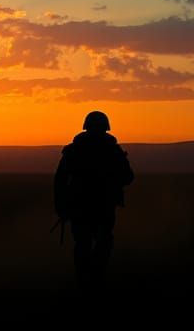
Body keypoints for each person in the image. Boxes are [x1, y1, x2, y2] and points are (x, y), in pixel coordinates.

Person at [54, 110, 134, 288]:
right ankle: (96, 279)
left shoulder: (74, 151)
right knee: (102, 241)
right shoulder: (113, 151)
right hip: (102, 206)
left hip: (81, 207)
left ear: (86, 127)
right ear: (106, 128)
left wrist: (61, 206)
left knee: (84, 242)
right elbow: (128, 177)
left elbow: (60, 181)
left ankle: (85, 280)